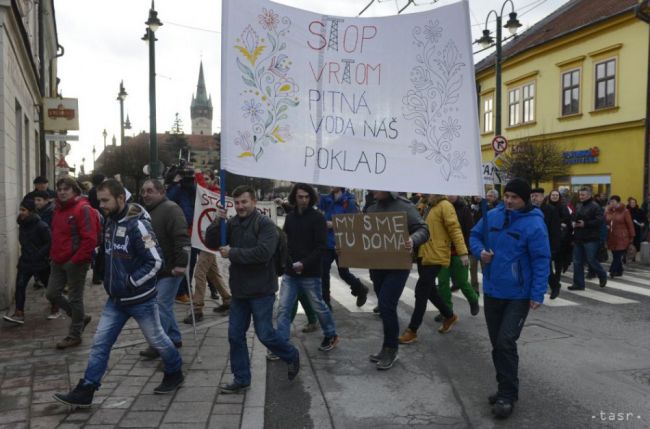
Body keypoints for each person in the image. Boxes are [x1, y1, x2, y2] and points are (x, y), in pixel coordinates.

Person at [53, 179, 183, 408]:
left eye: (105, 200)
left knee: (158, 340)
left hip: (140, 300)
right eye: (99, 200)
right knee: (100, 344)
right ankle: (87, 389)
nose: (100, 204)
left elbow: (155, 261)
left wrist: (131, 282)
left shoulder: (139, 226)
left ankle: (174, 371)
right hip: (115, 301)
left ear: (120, 199)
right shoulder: (110, 222)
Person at [206, 185, 300, 394]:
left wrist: (233, 252)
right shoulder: (231, 223)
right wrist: (217, 220)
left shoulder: (265, 225)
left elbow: (263, 253)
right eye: (237, 203)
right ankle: (241, 378)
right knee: (234, 336)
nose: (240, 207)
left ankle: (291, 354)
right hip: (239, 291)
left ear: (254, 202)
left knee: (265, 335)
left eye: (244, 202)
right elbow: (211, 241)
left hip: (261, 290)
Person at [470, 178, 550, 419]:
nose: (509, 200)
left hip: (518, 295)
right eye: (507, 196)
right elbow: (474, 236)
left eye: (514, 197)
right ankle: (506, 387)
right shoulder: (493, 215)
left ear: (524, 200)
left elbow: (541, 259)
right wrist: (480, 252)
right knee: (498, 344)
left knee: (505, 342)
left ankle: (506, 394)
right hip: (493, 291)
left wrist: (537, 293)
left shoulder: (535, 225)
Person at [366, 191, 429, 370]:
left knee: (386, 305)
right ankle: (386, 346)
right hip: (377, 266)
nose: (373, 190)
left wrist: (412, 240)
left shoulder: (405, 206)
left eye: (377, 187)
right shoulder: (371, 209)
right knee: (385, 308)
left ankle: (391, 349)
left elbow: (424, 230)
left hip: (398, 266)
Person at [277, 183, 339, 353]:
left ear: (311, 198)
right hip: (291, 273)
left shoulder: (318, 217)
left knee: (319, 305)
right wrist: (289, 262)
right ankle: (281, 344)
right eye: (300, 196)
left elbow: (321, 247)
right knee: (283, 308)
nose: (303, 200)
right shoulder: (290, 217)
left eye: (306, 197)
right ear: (294, 198)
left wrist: (303, 263)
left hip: (310, 273)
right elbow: (285, 242)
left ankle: (331, 334)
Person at [398, 195, 465, 345]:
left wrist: (463, 253)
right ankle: (449, 316)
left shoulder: (445, 205)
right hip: (423, 253)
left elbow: (455, 229)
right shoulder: (424, 206)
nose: (423, 193)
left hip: (436, 254)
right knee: (430, 291)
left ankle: (412, 330)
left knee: (421, 290)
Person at [46, 177, 100, 349]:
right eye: (59, 189)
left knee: (75, 298)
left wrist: (75, 260)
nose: (62, 192)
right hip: (57, 260)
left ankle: (74, 334)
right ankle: (80, 317)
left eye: (66, 189)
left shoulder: (83, 209)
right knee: (52, 294)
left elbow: (90, 239)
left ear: (75, 191)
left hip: (75, 261)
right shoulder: (58, 209)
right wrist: (53, 255)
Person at [138, 179, 189, 359]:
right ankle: (174, 337)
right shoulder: (147, 212)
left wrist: (181, 264)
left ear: (161, 192)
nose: (145, 195)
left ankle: (158, 343)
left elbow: (181, 238)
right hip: (157, 268)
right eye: (143, 191)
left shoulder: (171, 209)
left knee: (160, 304)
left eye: (150, 191)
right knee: (164, 304)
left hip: (171, 268)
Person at [318, 186, 369, 308]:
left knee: (343, 273)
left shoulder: (349, 202)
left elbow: (355, 223)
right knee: (323, 273)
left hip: (342, 244)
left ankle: (360, 289)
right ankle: (326, 303)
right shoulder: (325, 199)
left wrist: (334, 224)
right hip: (326, 243)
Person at [3, 199, 51, 325]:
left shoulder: (42, 226)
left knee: (49, 287)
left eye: (23, 210)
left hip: (40, 263)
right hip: (25, 261)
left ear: (31, 211)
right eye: (20, 209)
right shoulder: (22, 224)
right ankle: (19, 313)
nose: (21, 212)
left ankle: (55, 306)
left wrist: (38, 255)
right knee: (20, 285)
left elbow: (49, 243)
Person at [434, 195, 480, 321]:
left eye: (453, 192)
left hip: (459, 252)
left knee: (461, 281)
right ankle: (447, 311)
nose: (450, 195)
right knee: (443, 283)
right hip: (442, 252)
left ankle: (473, 299)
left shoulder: (464, 209)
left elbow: (469, 232)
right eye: (448, 192)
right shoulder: (438, 207)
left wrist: (465, 252)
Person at [167, 166, 198, 304]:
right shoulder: (176, 188)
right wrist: (175, 183)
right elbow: (168, 199)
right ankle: (180, 292)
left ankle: (187, 289)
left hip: (193, 229)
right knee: (182, 261)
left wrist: (191, 181)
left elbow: (199, 195)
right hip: (180, 229)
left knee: (191, 262)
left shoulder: (192, 187)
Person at [568, 187, 608, 290]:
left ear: (589, 195)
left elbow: (599, 221)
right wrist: (573, 221)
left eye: (583, 195)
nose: (581, 197)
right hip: (578, 237)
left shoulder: (595, 206)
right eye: (580, 195)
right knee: (577, 262)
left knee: (591, 260)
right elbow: (573, 216)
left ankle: (602, 274)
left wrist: (585, 224)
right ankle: (578, 284)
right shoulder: (579, 205)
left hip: (591, 238)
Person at [530, 188, 561, 299]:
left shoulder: (550, 210)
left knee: (546, 269)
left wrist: (554, 248)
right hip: (531, 244)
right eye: (532, 196)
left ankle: (555, 286)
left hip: (546, 245)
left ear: (543, 197)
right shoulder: (527, 209)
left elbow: (555, 230)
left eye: (537, 196)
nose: (534, 198)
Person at [605, 196, 635, 278]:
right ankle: (619, 270)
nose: (612, 203)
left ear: (618, 202)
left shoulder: (625, 211)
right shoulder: (609, 211)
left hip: (622, 237)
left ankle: (611, 271)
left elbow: (630, 224)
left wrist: (632, 236)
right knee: (615, 255)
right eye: (610, 201)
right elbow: (605, 220)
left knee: (618, 255)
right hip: (612, 237)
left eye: (613, 201)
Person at [548, 189, 573, 274]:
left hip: (561, 237)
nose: (554, 197)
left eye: (556, 195)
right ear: (550, 196)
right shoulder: (546, 206)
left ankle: (558, 273)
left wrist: (558, 223)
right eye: (553, 195)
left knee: (559, 257)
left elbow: (566, 219)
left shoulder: (563, 206)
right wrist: (559, 223)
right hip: (549, 236)